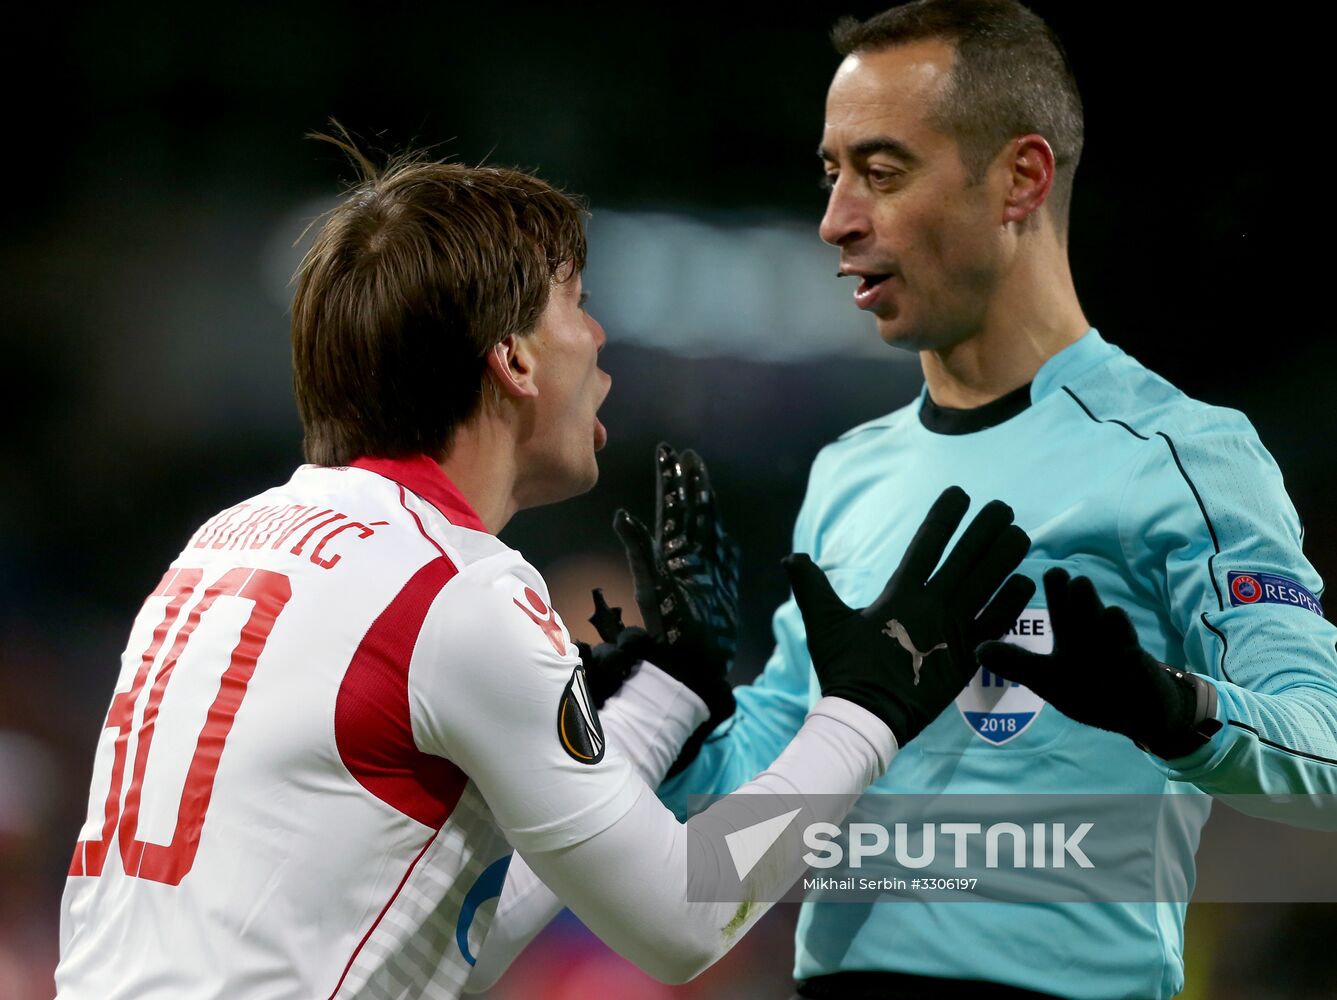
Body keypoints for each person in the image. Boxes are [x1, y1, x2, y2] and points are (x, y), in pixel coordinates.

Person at [53, 134, 1035, 999]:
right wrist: (867, 707)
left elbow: (424, 936)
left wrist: (654, 705)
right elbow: (682, 920)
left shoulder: (225, 540)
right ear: (513, 361)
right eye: (576, 302)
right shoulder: (453, 586)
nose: (598, 337)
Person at [648, 2, 1337, 998]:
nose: (834, 219)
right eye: (830, 173)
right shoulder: (849, 472)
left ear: (1019, 180)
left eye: (879, 173)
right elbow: (746, 835)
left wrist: (1169, 710)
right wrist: (680, 719)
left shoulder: (1179, 454)